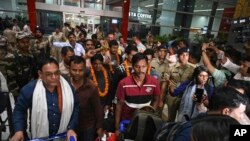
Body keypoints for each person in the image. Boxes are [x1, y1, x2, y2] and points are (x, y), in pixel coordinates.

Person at [11, 57, 79, 141]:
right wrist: (19, 131)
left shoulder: (68, 88)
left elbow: (76, 107)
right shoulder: (30, 89)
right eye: (49, 74)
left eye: (57, 73)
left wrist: (71, 128)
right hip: (39, 137)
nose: (54, 77)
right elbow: (19, 111)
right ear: (40, 74)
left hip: (64, 137)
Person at [115, 53, 160, 136]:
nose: (140, 70)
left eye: (143, 66)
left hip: (145, 122)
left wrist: (151, 112)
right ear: (132, 66)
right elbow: (119, 105)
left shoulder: (154, 82)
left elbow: (156, 99)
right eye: (137, 66)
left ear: (147, 66)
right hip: (127, 122)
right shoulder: (123, 83)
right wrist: (117, 127)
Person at [69, 56, 104, 141]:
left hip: (87, 127)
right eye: (74, 70)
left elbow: (98, 108)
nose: (77, 73)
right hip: (69, 127)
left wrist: (99, 127)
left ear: (84, 70)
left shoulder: (91, 87)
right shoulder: (65, 84)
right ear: (69, 69)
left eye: (80, 70)